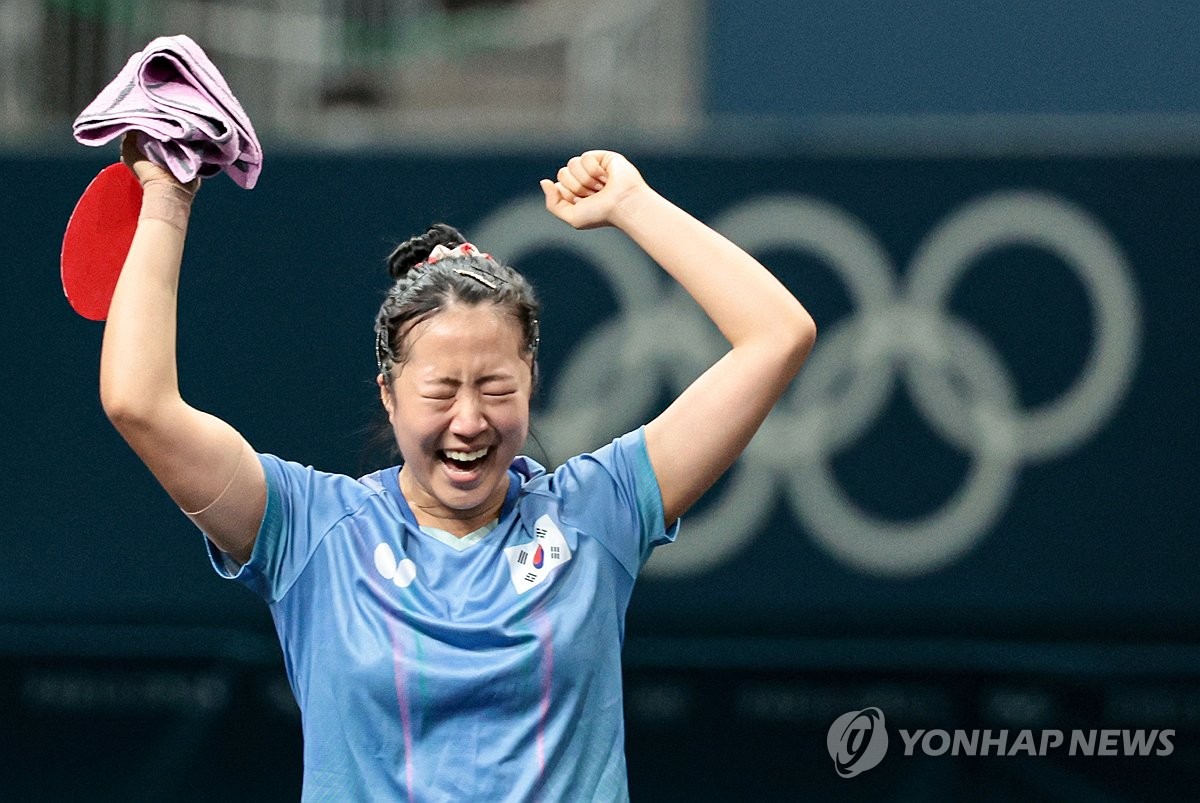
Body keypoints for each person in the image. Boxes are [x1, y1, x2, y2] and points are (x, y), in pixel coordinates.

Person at [100, 138, 816, 801]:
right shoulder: (310, 533)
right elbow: (140, 403)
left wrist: (634, 205)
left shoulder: (599, 511)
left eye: (497, 389)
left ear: (532, 382)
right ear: (389, 393)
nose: (469, 420)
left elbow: (778, 334)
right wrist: (167, 197)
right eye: (440, 391)